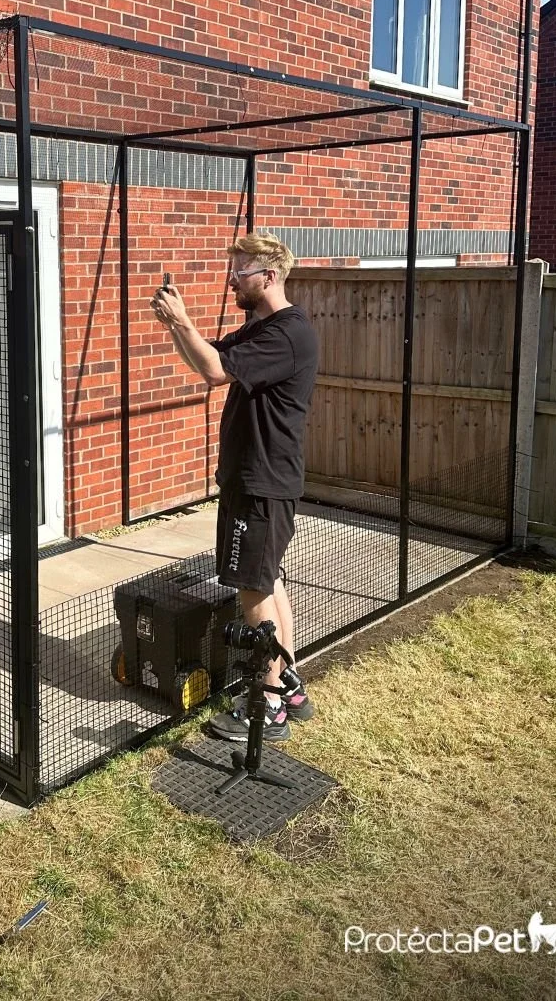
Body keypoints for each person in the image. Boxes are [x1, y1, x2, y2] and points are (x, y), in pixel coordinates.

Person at [151, 232, 319, 742]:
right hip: (255, 479)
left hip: (262, 482)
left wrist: (182, 320)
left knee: (252, 589)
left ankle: (269, 705)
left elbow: (214, 369)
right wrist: (176, 327)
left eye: (240, 273)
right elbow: (207, 363)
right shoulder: (259, 328)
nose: (231, 281)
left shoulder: (286, 333)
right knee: (267, 581)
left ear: (268, 276)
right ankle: (288, 683)